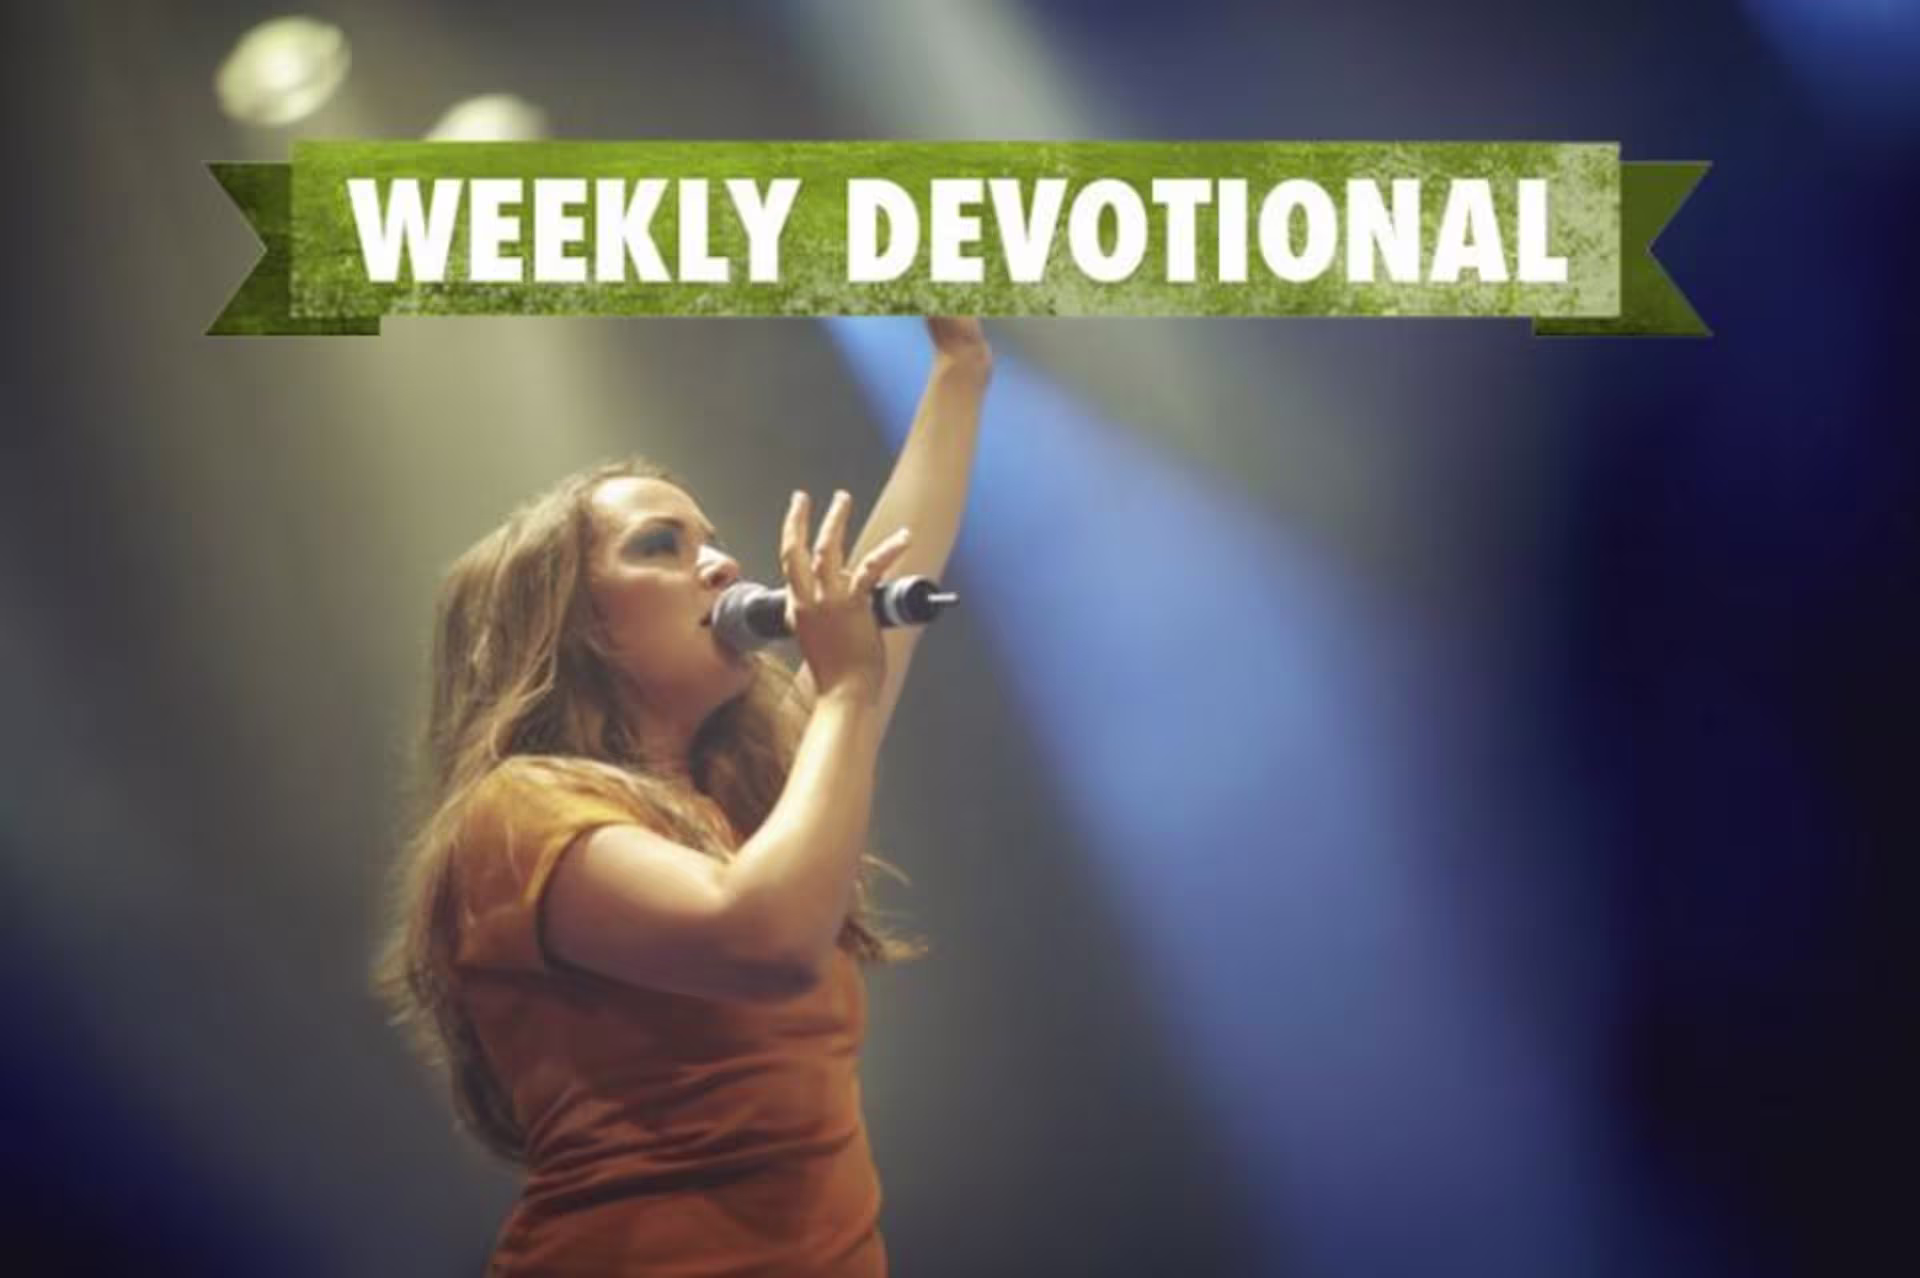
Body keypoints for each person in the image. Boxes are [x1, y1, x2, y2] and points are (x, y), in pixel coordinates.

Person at [372, 318, 993, 1276]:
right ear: (571, 626)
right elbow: (764, 939)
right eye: (661, 545)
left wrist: (960, 370)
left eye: (713, 540)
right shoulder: (518, 811)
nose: (724, 565)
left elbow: (894, 570)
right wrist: (849, 692)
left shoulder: (736, 798)